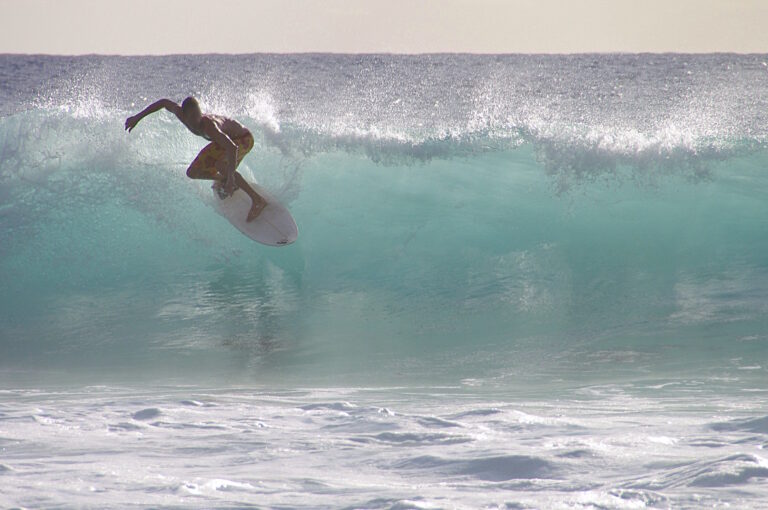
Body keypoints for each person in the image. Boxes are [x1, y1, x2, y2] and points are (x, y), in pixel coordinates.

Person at [125, 96, 267, 221]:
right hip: (223, 142)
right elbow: (163, 102)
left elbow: (232, 148)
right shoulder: (179, 113)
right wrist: (137, 117)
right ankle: (223, 180)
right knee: (193, 173)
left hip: (243, 139)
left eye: (198, 114)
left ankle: (257, 200)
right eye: (192, 117)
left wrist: (230, 177)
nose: (196, 120)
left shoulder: (209, 126)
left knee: (221, 166)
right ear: (184, 115)